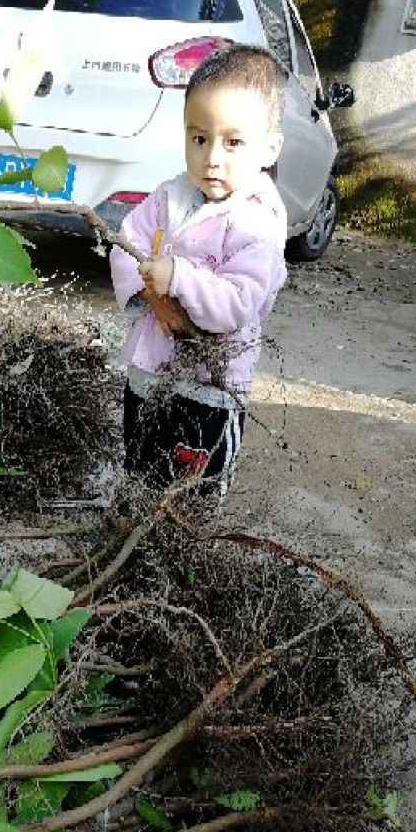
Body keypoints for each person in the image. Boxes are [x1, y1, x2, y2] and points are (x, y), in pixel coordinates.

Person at [109, 44, 288, 498]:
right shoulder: (171, 195)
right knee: (141, 466)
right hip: (149, 369)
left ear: (269, 146)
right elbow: (126, 243)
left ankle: (186, 546)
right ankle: (135, 533)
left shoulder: (257, 221)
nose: (211, 158)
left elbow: (238, 303)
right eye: (199, 138)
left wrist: (180, 277)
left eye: (233, 142)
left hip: (210, 386)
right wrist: (152, 297)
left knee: (193, 489)